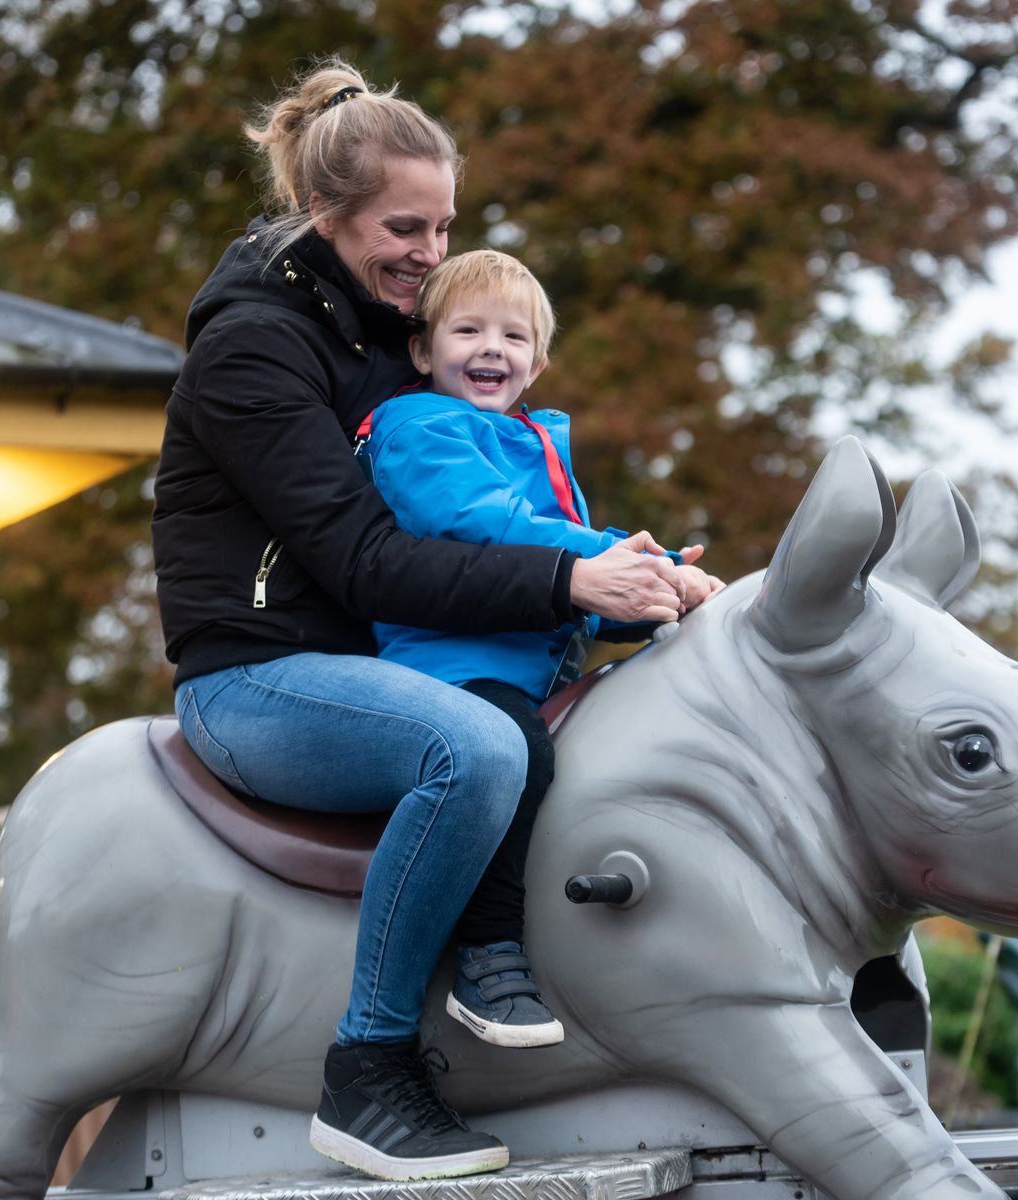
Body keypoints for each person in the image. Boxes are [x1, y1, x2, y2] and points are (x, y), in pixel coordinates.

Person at [151, 59, 709, 1183]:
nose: (428, 251)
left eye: (443, 226)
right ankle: (368, 1066)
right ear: (325, 212)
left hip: (378, 658)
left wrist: (624, 585)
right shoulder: (251, 351)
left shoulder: (389, 338)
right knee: (473, 744)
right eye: (404, 226)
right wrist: (570, 582)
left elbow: (483, 519)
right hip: (258, 675)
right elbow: (371, 562)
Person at [361, 250, 721, 1051]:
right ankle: (486, 955)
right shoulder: (417, 428)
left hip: (533, 669)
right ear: (423, 352)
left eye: (514, 336)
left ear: (538, 361)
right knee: (511, 754)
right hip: (452, 668)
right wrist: (620, 559)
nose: (493, 348)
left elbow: (565, 598)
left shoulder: (531, 441)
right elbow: (488, 527)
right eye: (467, 330)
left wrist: (656, 601)